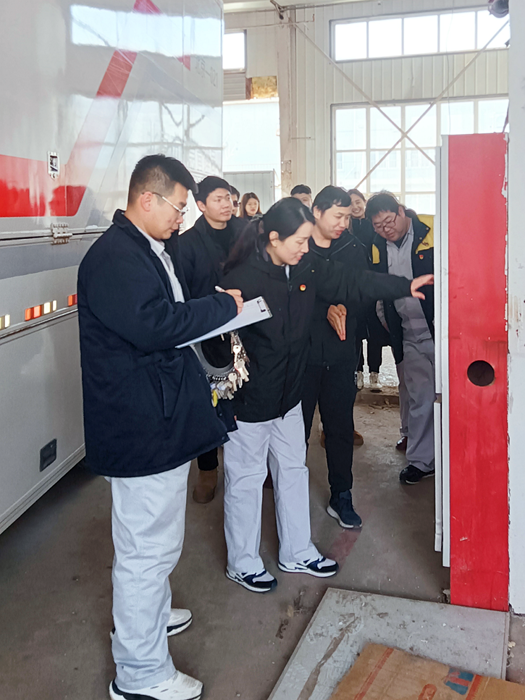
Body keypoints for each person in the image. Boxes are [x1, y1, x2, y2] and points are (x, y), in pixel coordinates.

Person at [77, 154, 243, 700]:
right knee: (146, 551)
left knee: (152, 546)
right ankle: (140, 673)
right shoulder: (116, 258)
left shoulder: (145, 247)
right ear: (147, 198)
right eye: (178, 206)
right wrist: (220, 309)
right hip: (140, 425)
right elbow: (156, 326)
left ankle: (146, 618)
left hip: (157, 416)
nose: (181, 216)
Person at [220, 198, 432, 592]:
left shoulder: (305, 267)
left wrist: (404, 285)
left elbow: (354, 281)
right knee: (246, 480)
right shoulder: (243, 280)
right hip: (250, 402)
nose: (306, 248)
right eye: (299, 241)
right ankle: (242, 562)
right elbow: (216, 343)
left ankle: (296, 550)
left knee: (293, 471)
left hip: (288, 396)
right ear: (274, 238)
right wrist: (226, 397)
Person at [167, 175, 249, 503]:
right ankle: (208, 469)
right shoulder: (186, 244)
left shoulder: (247, 234)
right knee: (209, 401)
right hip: (207, 335)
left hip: (248, 329)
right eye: (218, 199)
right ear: (201, 205)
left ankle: (253, 464)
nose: (227, 204)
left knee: (248, 397)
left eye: (228, 198)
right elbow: (183, 294)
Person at [366, 191, 435, 485]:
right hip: (409, 332)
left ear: (401, 211)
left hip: (442, 331)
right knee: (420, 397)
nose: (386, 229)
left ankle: (456, 454)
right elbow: (379, 289)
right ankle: (422, 461)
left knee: (452, 395)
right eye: (378, 226)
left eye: (389, 221)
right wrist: (388, 323)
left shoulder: (432, 231)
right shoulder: (377, 247)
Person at [348, 188, 390, 393]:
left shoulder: (374, 227)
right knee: (356, 332)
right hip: (355, 289)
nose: (355, 206)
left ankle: (375, 373)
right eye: (351, 203)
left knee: (375, 333)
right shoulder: (346, 229)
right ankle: (358, 373)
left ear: (364, 202)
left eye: (358, 202)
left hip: (373, 287)